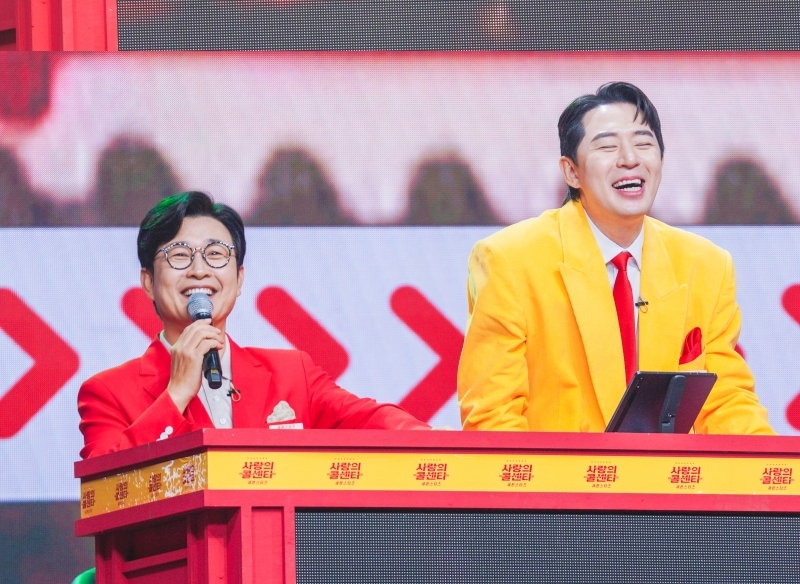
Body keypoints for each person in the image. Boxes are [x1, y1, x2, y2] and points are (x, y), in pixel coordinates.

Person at [457, 82, 772, 434]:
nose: (629, 159)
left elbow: (727, 400)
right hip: (557, 470)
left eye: (644, 144)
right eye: (607, 146)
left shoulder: (706, 266)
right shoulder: (510, 260)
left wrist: (772, 463)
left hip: (662, 470)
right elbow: (493, 417)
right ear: (572, 172)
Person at [78, 192, 427, 458]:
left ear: (239, 279)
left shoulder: (293, 374)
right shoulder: (108, 393)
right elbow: (106, 486)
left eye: (216, 254)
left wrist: (434, 441)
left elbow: (369, 420)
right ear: (148, 282)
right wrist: (177, 393)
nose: (199, 270)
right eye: (180, 255)